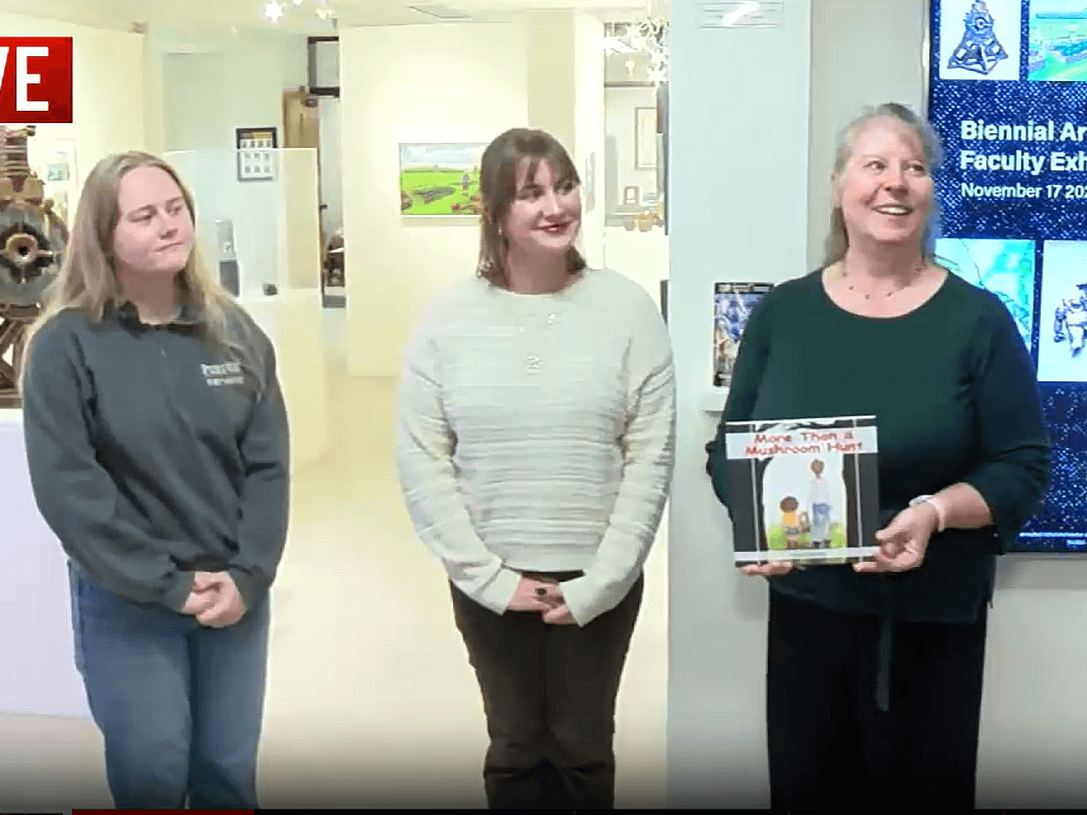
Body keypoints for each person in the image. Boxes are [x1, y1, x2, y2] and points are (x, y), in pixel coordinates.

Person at [705, 103, 1049, 809]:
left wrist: (932, 511)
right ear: (838, 186)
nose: (896, 182)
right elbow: (727, 451)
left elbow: (1022, 465)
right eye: (875, 165)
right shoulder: (784, 314)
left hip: (933, 625)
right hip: (809, 618)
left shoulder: (978, 319)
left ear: (930, 192)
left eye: (915, 168)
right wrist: (755, 522)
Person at [396, 127, 676, 809]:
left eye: (564, 186)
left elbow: (650, 457)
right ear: (494, 215)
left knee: (582, 749)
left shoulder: (627, 310)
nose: (556, 206)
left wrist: (602, 580)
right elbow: (422, 457)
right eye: (531, 194)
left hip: (598, 580)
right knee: (516, 746)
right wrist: (487, 577)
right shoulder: (448, 319)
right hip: (492, 582)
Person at [21, 151, 290, 809]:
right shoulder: (65, 346)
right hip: (129, 600)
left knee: (227, 773)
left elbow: (267, 467)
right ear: (103, 237)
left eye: (175, 209)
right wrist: (164, 583)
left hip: (233, 597)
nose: (168, 226)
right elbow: (70, 489)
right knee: (153, 772)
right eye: (144, 216)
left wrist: (249, 573)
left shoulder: (235, 335)